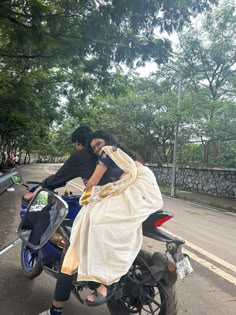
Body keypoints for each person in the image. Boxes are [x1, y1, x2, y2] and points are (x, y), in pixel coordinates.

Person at [59, 130, 163, 307]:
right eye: (94, 148)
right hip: (149, 189)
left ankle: (106, 282)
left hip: (138, 189)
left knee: (99, 219)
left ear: (108, 141)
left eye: (99, 144)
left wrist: (90, 186)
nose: (97, 149)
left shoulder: (109, 152)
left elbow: (92, 183)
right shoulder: (124, 156)